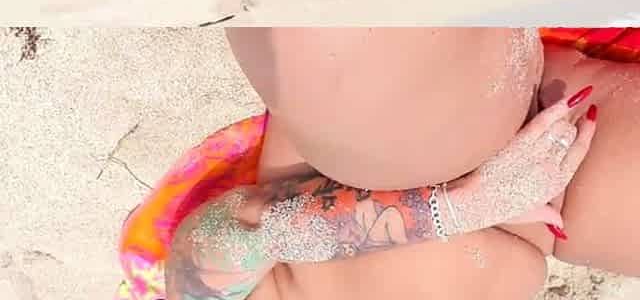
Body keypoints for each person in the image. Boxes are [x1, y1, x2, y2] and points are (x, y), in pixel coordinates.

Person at [160, 28, 640, 300]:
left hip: (388, 157)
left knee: (348, 8)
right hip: (554, 202)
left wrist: (454, 209)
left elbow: (226, 238)